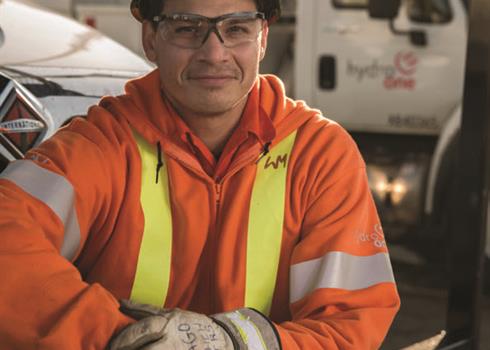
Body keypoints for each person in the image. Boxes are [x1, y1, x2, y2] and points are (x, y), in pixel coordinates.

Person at [0, 0, 400, 348]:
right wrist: (117, 338)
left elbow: (351, 322)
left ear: (262, 37)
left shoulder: (318, 156)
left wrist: (236, 344)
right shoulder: (103, 144)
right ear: (150, 38)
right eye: (187, 28)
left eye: (237, 28)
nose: (214, 52)